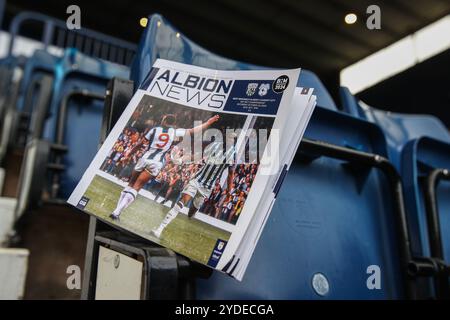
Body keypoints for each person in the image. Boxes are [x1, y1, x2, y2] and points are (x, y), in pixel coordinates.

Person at [109, 113, 219, 220]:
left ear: (164, 121)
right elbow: (192, 131)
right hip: (157, 163)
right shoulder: (175, 132)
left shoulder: (154, 129)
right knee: (137, 186)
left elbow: (140, 144)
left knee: (131, 184)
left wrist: (129, 154)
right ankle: (116, 212)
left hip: (144, 158)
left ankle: (116, 211)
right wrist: (208, 122)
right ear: (173, 123)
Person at [151, 135, 236, 238]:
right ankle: (160, 229)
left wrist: (228, 191)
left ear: (233, 142)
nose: (228, 140)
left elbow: (231, 174)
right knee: (181, 202)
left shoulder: (232, 154)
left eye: (231, 139)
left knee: (192, 212)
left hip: (207, 187)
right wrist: (182, 160)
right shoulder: (215, 146)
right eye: (228, 137)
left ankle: (192, 214)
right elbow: (199, 155)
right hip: (197, 179)